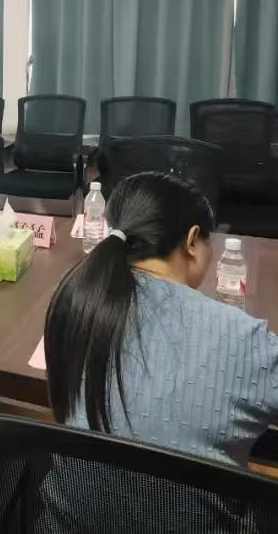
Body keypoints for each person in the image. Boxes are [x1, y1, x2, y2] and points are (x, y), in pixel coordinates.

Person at [45, 172, 278, 466]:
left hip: (72, 496)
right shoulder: (246, 339)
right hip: (190, 499)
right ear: (192, 241)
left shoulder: (77, 303)